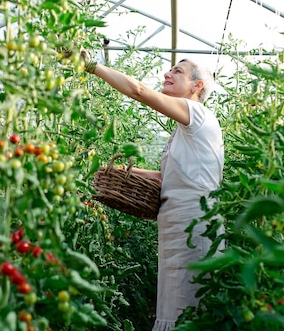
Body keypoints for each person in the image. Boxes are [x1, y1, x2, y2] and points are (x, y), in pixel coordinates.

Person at [82, 52, 224, 331]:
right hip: (178, 226)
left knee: (189, 308)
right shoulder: (186, 131)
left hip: (194, 225)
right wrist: (114, 171)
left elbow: (139, 91)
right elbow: (166, 177)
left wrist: (92, 66)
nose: (167, 75)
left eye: (177, 72)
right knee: (177, 302)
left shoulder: (197, 113)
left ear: (197, 86)